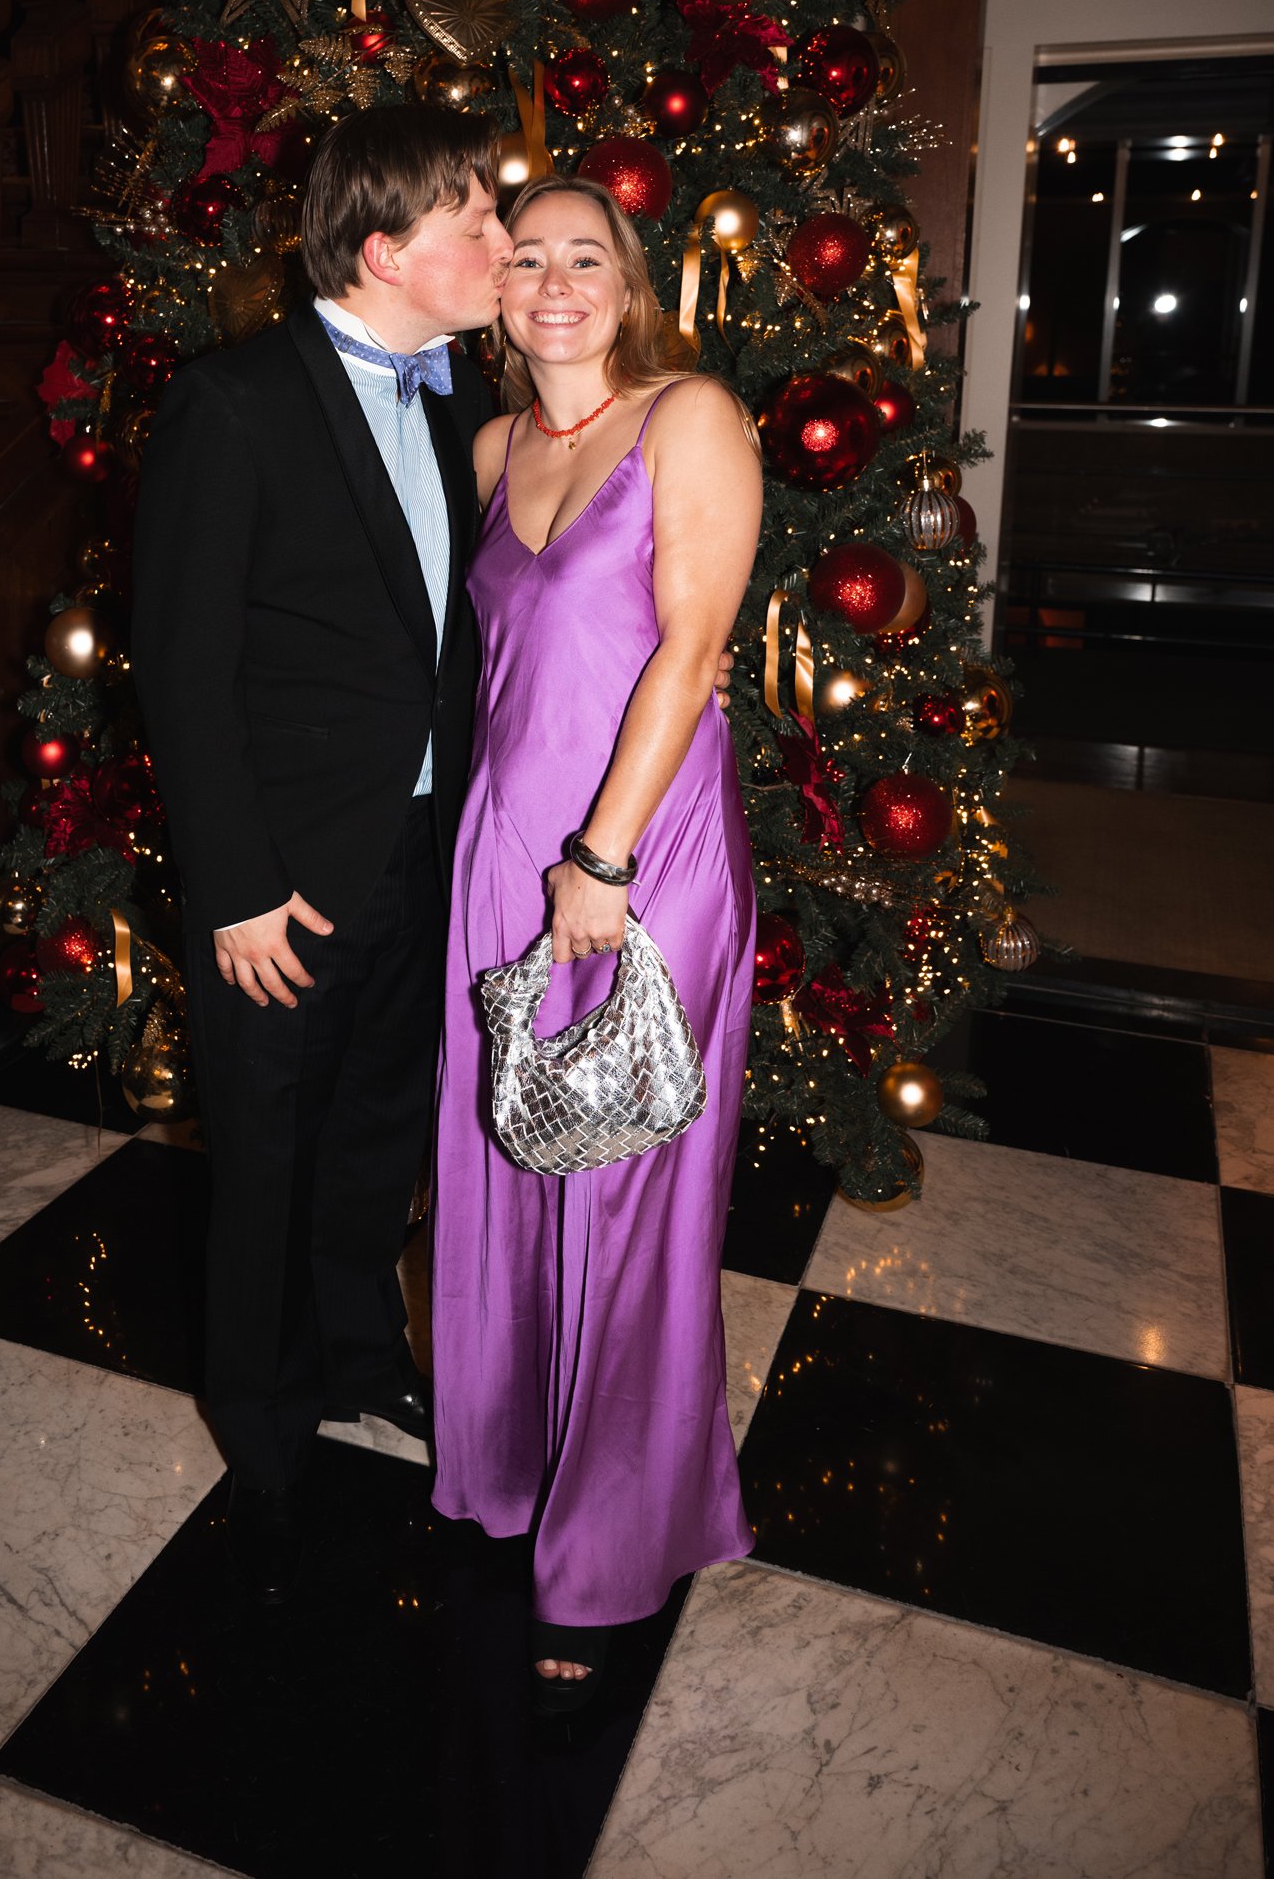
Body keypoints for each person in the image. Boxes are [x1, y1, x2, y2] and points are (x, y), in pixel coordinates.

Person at [131, 104, 510, 1598]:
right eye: (472, 223)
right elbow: (180, 662)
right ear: (383, 248)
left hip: (429, 852)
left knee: (377, 1137)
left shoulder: (460, 394)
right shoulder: (232, 403)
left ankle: (360, 1352)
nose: (498, 245)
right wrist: (229, 886)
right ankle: (262, 1403)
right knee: (271, 1148)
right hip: (280, 876)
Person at [428, 175, 764, 1708]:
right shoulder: (496, 447)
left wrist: (603, 857)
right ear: (493, 289)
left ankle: (612, 1549)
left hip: (642, 855)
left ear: (628, 283)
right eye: (528, 258)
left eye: (586, 257)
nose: (554, 281)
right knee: (504, 1165)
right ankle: (510, 1470)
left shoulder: (689, 416)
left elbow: (691, 648)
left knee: (624, 1190)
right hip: (506, 852)